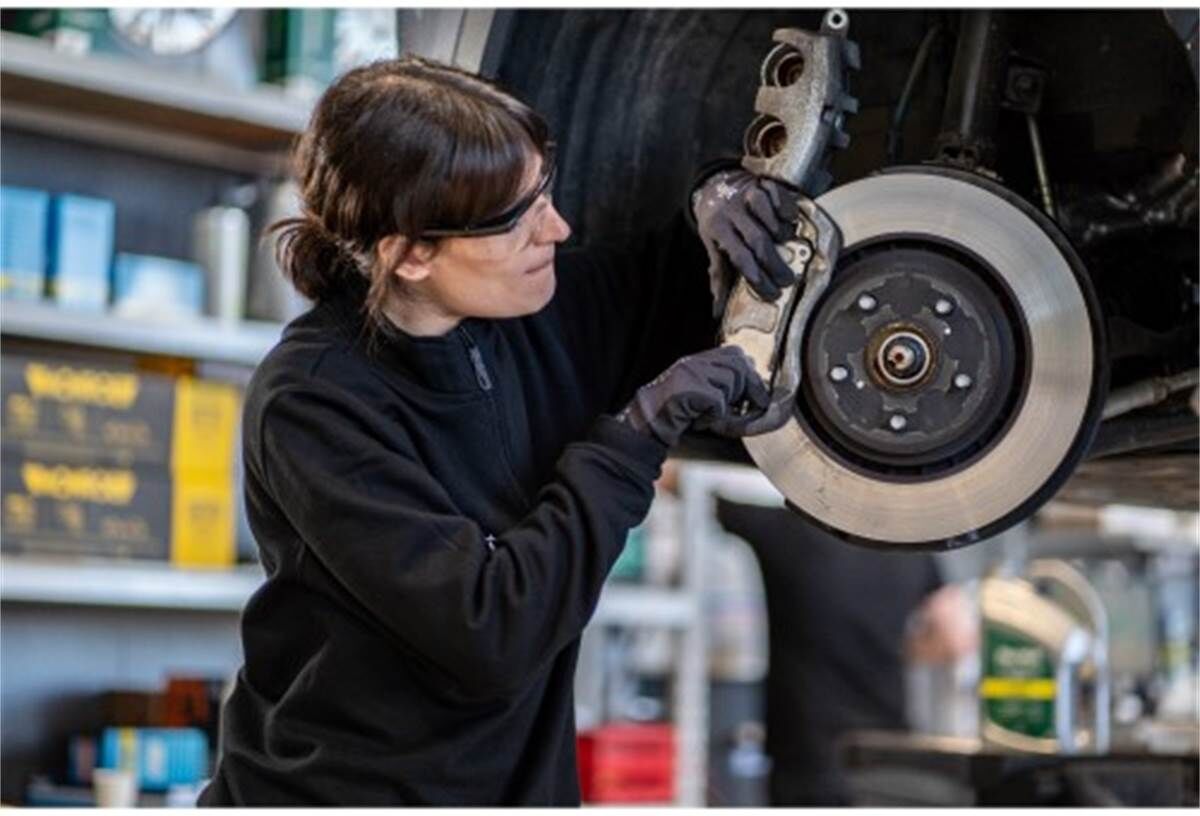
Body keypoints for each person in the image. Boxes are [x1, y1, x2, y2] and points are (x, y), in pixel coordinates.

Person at [199, 57, 803, 806]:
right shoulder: (315, 402)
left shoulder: (532, 314)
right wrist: (636, 434)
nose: (558, 227)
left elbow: (675, 280)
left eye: (544, 192)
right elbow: (493, 630)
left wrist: (718, 193)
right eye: (519, 217)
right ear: (411, 252)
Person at [715, 500, 977, 806]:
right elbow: (956, 639)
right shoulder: (909, 547)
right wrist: (900, 652)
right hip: (886, 755)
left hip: (808, 759)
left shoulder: (788, 529)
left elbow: (677, 482)